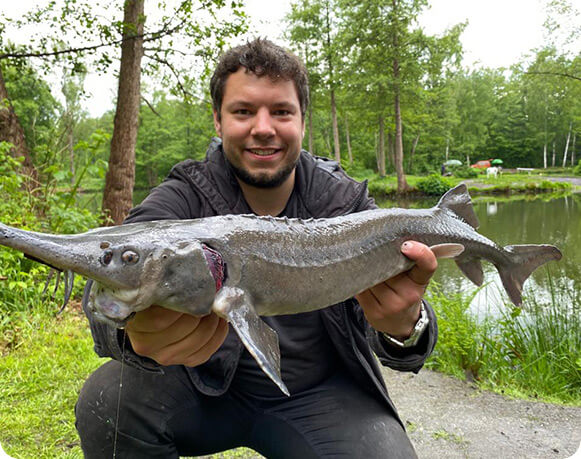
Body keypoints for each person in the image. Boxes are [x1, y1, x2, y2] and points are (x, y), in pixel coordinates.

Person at [75, 38, 438, 458]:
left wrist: (405, 326)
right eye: (243, 111)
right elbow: (114, 268)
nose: (263, 128)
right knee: (107, 400)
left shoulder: (345, 202)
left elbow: (405, 350)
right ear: (217, 120)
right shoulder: (185, 195)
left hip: (322, 395)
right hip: (201, 386)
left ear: (303, 120)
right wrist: (129, 330)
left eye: (281, 111)